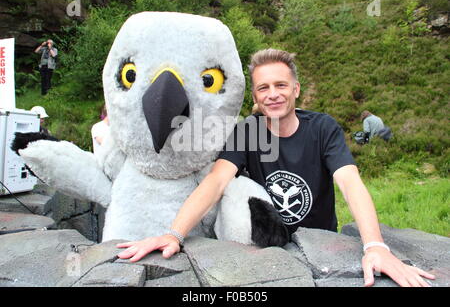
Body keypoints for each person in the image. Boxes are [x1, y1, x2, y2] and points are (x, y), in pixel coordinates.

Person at [117, 49, 434, 287]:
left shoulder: (322, 128)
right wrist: (174, 234)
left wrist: (375, 246)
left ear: (296, 89)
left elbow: (350, 184)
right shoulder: (248, 131)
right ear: (255, 96)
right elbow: (216, 182)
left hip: (319, 246)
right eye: (263, 88)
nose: (273, 94)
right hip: (266, 250)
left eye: (280, 85)